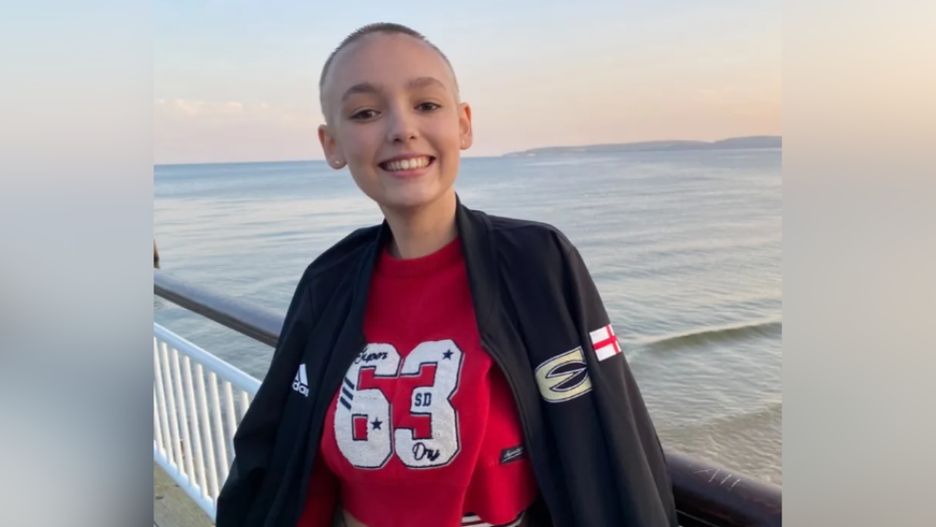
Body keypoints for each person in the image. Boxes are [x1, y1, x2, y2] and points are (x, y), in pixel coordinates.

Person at [216, 22, 678, 527]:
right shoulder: (328, 283)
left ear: (463, 125)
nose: (401, 129)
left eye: (426, 105)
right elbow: (281, 452)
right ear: (332, 145)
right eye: (365, 112)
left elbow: (614, 441)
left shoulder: (537, 263)